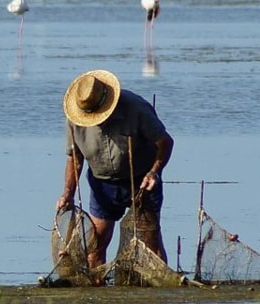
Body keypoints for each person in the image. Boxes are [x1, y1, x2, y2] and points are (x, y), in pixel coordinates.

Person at [56, 69, 174, 274]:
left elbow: (165, 142)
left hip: (141, 181)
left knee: (150, 247)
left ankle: (158, 295)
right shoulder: (75, 118)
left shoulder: (135, 108)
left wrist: (154, 171)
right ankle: (98, 298)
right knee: (95, 246)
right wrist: (68, 193)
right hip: (102, 184)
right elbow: (74, 159)